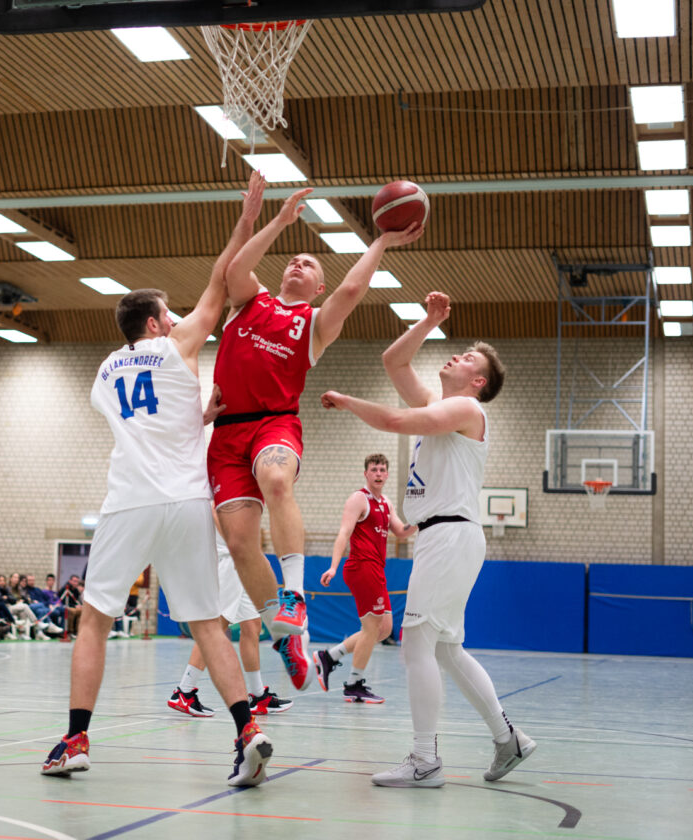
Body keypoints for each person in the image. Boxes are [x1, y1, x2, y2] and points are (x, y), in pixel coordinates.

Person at [42, 172, 272, 787]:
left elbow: (138, 419)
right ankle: (247, 728)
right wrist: (246, 221)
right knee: (205, 622)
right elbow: (223, 284)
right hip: (188, 500)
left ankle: (76, 738)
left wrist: (195, 413)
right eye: (168, 315)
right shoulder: (176, 350)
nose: (176, 321)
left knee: (94, 619)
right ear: (151, 323)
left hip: (130, 501)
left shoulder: (104, 371)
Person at [208, 191, 424, 692]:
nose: (298, 264)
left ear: (317, 284)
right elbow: (234, 269)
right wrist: (280, 220)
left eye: (309, 264)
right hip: (225, 432)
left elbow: (350, 291)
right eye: (293, 260)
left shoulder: (313, 324)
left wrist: (382, 241)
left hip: (274, 423)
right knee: (240, 544)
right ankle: (286, 638)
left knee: (277, 478)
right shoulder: (250, 300)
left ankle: (295, 595)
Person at [320, 291, 534, 787]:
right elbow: (393, 361)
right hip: (445, 538)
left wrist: (351, 401)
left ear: (477, 381)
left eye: (467, 359)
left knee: (416, 646)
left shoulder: (463, 409)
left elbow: (395, 421)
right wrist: (429, 320)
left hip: (450, 536)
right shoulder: (444, 405)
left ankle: (425, 760)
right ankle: (508, 739)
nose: (455, 355)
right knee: (445, 650)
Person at [168, 504, 292, 718]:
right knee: (215, 628)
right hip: (229, 561)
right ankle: (184, 691)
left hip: (242, 561)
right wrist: (234, 541)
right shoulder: (218, 479)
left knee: (252, 626)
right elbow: (215, 508)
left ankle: (258, 695)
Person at [313, 454, 416, 703]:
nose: (378, 474)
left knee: (384, 629)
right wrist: (333, 567)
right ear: (366, 474)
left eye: (382, 470)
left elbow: (401, 532)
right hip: (362, 567)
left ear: (387, 474)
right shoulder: (359, 499)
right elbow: (344, 533)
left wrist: (424, 520)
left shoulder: (386, 504)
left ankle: (329, 657)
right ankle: (354, 684)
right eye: (374, 470)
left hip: (376, 570)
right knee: (372, 628)